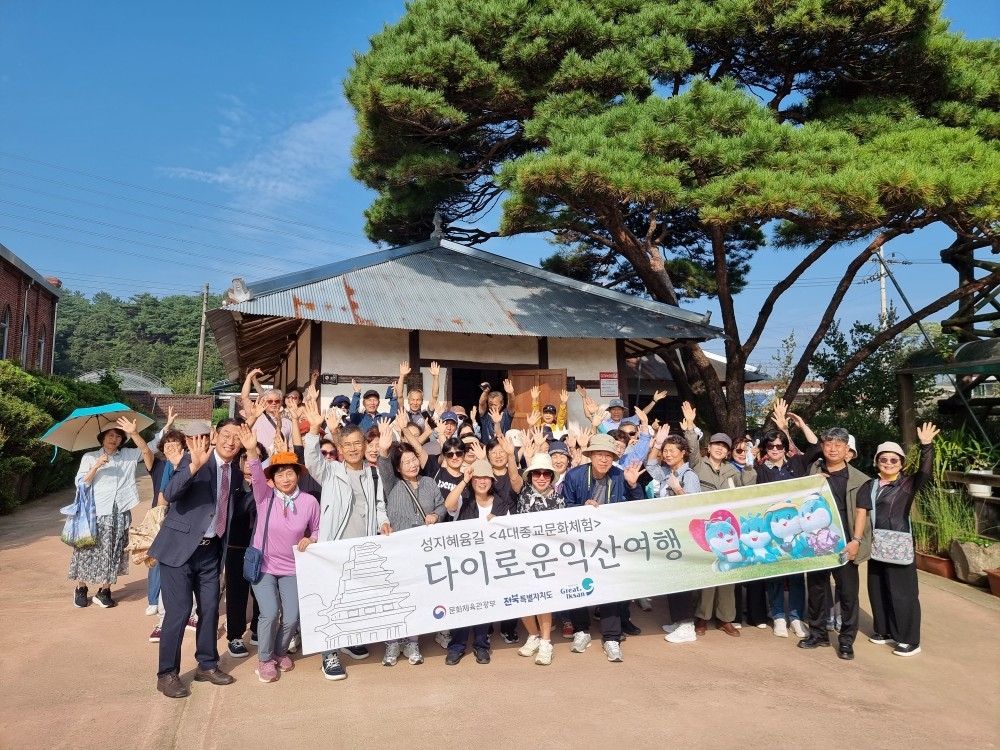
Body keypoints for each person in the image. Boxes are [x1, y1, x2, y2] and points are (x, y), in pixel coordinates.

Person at [150, 418, 252, 699]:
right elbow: (169, 494)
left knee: (209, 609)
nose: (231, 442)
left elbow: (234, 509)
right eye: (226, 435)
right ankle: (166, 673)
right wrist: (193, 467)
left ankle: (206, 665)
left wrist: (259, 485)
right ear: (215, 435)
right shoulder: (193, 459)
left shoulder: (235, 473)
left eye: (237, 437)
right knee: (180, 611)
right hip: (179, 550)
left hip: (211, 551)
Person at [303, 399, 390, 680]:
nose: (353, 449)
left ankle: (350, 640)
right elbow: (312, 460)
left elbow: (379, 506)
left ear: (364, 446)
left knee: (353, 599)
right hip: (334, 547)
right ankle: (329, 655)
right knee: (331, 600)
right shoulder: (331, 471)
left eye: (357, 444)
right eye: (347, 445)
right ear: (340, 449)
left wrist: (383, 522)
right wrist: (314, 430)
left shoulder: (373, 474)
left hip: (361, 547)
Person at [239, 428, 320, 684]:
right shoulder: (264, 496)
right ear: (272, 479)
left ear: (298, 475)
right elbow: (255, 473)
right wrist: (251, 451)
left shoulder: (309, 502)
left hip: (292, 567)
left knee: (292, 616)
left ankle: (279, 652)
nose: (285, 479)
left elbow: (317, 529)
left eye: (290, 473)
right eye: (280, 474)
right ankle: (264, 659)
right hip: (263, 566)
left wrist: (312, 539)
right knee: (270, 613)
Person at [562, 433, 644, 662]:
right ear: (590, 456)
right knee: (579, 583)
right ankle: (581, 630)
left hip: (610, 540)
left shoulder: (619, 475)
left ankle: (611, 637)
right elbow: (564, 505)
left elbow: (639, 505)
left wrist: (633, 485)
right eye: (599, 454)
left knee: (611, 585)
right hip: (580, 540)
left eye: (609, 455)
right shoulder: (575, 475)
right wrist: (582, 507)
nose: (604, 459)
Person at [798, 427, 872, 661]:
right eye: (828, 444)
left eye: (838, 445)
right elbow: (798, 498)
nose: (832, 449)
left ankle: (846, 640)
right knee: (816, 589)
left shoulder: (859, 479)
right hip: (816, 543)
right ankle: (818, 633)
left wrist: (856, 541)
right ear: (823, 446)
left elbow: (861, 512)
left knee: (848, 593)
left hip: (845, 543)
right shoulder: (813, 471)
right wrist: (811, 483)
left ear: (847, 449)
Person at [865, 423, 938, 657]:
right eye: (883, 459)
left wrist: (926, 446)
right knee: (878, 589)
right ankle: (884, 630)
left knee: (903, 593)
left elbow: (925, 472)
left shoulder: (906, 483)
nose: (888, 463)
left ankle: (909, 639)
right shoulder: (871, 485)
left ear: (901, 463)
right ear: (877, 461)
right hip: (877, 543)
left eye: (893, 460)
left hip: (898, 545)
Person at [377, 419, 447, 666]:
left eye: (414, 459)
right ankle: (392, 643)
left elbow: (441, 506)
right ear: (397, 468)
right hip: (398, 552)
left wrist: (436, 515)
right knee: (395, 598)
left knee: (417, 597)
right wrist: (384, 449)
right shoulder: (392, 484)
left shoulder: (429, 483)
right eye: (405, 462)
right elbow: (383, 466)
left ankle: (413, 642)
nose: (412, 464)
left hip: (424, 552)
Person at [70, 417, 153, 609]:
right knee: (87, 550)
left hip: (120, 511)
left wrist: (136, 432)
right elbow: (81, 484)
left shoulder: (128, 455)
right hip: (94, 512)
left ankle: (104, 590)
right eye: (110, 435)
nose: (114, 439)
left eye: (118, 436)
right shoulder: (90, 457)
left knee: (114, 550)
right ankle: (81, 587)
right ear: (102, 438)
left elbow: (150, 447)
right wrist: (96, 465)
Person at [755, 399, 821, 639]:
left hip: (797, 528)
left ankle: (795, 617)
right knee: (775, 574)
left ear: (785, 447)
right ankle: (778, 617)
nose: (775, 450)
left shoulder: (796, 463)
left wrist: (801, 425)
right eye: (770, 446)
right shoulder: (760, 469)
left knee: (796, 575)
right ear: (765, 449)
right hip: (772, 528)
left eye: (779, 446)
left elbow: (816, 447)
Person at [442, 459, 515, 665]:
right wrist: (464, 480)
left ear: (492, 481)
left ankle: (481, 645)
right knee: (463, 605)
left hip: (489, 564)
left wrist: (497, 523)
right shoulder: (464, 500)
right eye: (477, 478)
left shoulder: (501, 503)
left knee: (484, 605)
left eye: (486, 478)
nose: (482, 482)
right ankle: (457, 647)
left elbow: (509, 534)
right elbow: (448, 505)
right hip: (464, 563)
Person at [646, 432, 702, 644]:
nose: (667, 454)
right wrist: (657, 444)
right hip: (669, 534)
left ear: (683, 453)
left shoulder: (689, 476)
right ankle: (679, 621)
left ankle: (687, 626)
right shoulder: (666, 472)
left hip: (683, 535)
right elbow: (650, 465)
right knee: (671, 578)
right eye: (665, 451)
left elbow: (694, 506)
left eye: (672, 451)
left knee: (682, 579)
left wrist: (678, 489)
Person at [514, 453, 566, 665]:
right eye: (537, 473)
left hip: (548, 558)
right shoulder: (523, 495)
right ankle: (533, 635)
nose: (542, 477)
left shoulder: (559, 499)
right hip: (524, 555)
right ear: (531, 476)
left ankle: (546, 642)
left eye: (546, 474)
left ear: (552, 476)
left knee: (544, 599)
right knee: (523, 598)